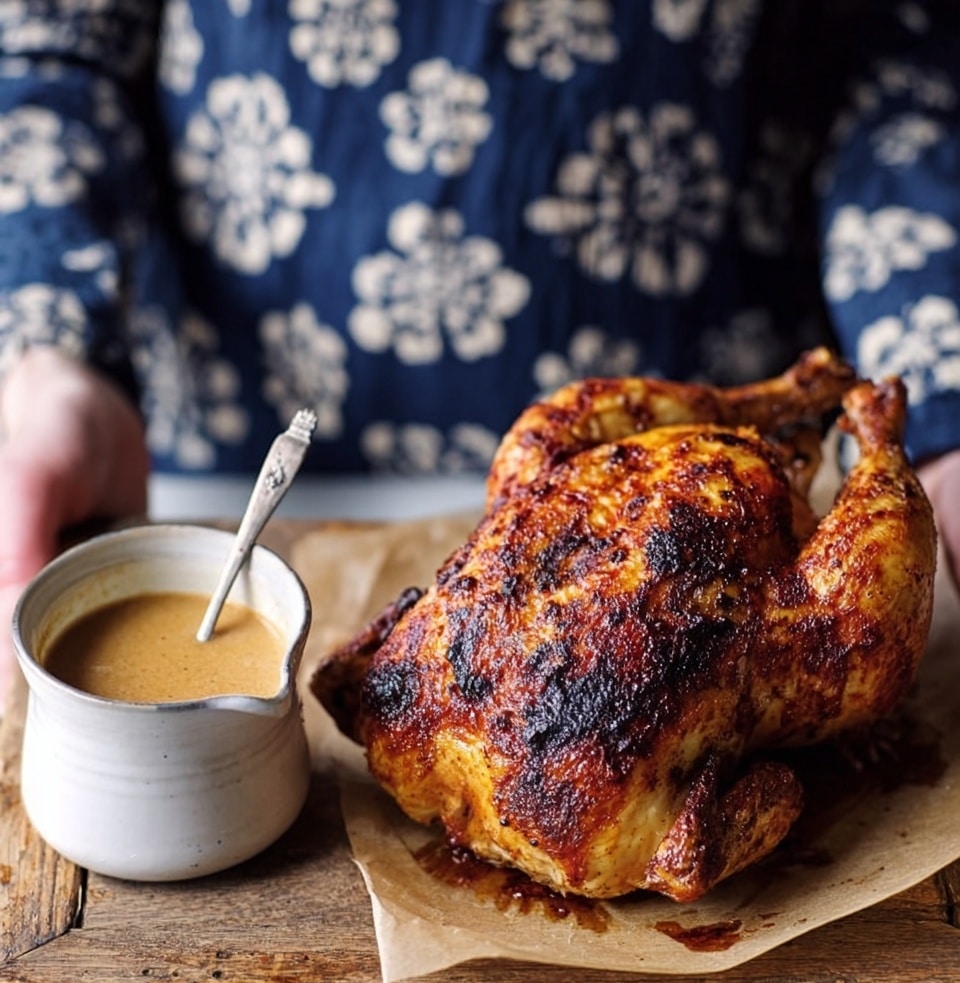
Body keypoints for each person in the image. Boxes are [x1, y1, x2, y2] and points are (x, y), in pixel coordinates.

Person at [1, 0, 959, 705]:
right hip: (233, 477)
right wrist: (52, 349)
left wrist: (942, 396)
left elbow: (908, 71)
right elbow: (55, 48)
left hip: (758, 467)